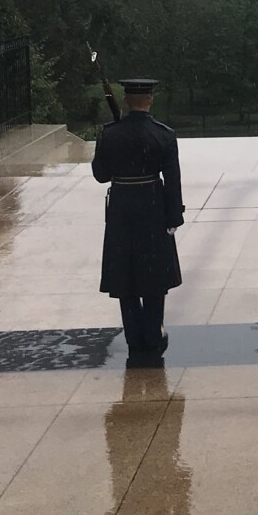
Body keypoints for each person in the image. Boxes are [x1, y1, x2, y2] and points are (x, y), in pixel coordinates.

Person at [91, 78, 184, 363]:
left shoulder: (110, 133)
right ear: (150, 100)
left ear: (127, 100)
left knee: (125, 278)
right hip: (153, 208)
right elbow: (172, 181)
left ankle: (135, 338)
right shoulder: (164, 135)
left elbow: (101, 174)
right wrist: (174, 217)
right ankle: (153, 335)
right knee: (155, 278)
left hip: (121, 210)